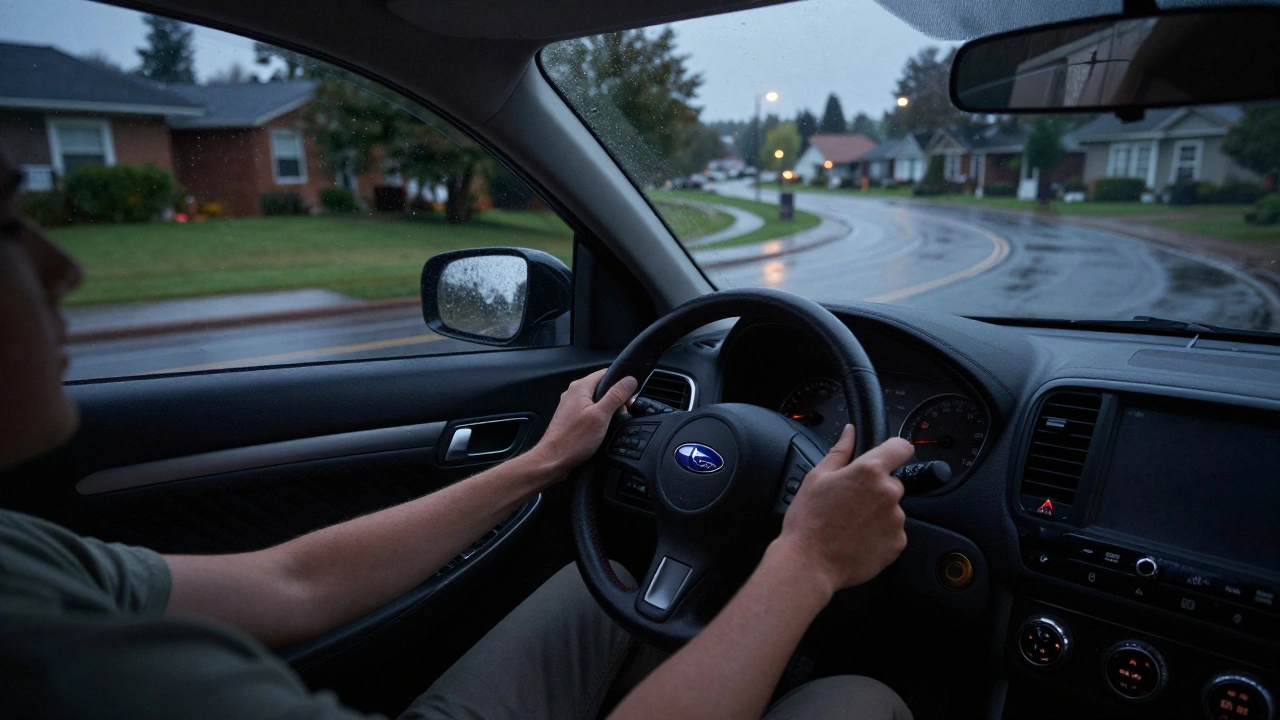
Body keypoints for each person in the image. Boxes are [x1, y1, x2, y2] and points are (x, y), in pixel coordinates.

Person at [0, 146, 914, 719]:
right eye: (9, 223)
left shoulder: (22, 560)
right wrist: (808, 564)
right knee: (859, 697)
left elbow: (290, 581)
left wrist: (541, 463)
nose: (64, 266)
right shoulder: (71, 673)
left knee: (602, 592)